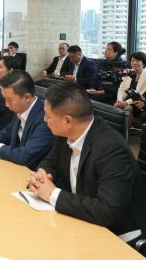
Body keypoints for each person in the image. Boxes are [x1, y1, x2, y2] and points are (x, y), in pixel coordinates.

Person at [28, 82, 143, 236]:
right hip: (82, 217)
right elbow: (50, 162)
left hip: (116, 233)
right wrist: (42, 176)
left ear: (68, 121)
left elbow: (108, 212)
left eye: (48, 116)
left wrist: (51, 194)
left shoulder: (112, 149)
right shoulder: (66, 133)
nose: (44, 120)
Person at [0, 71, 54, 170]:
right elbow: (5, 134)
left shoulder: (46, 118)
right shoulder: (21, 107)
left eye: (9, 100)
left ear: (27, 97)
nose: (6, 105)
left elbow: (25, 155)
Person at [115, 51, 146, 124]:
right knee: (115, 107)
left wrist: (126, 102)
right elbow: (121, 88)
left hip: (138, 102)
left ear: (143, 63)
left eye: (137, 61)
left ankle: (126, 130)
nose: (134, 63)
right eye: (132, 61)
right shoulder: (127, 72)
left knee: (127, 108)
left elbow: (141, 94)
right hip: (124, 99)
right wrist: (119, 100)